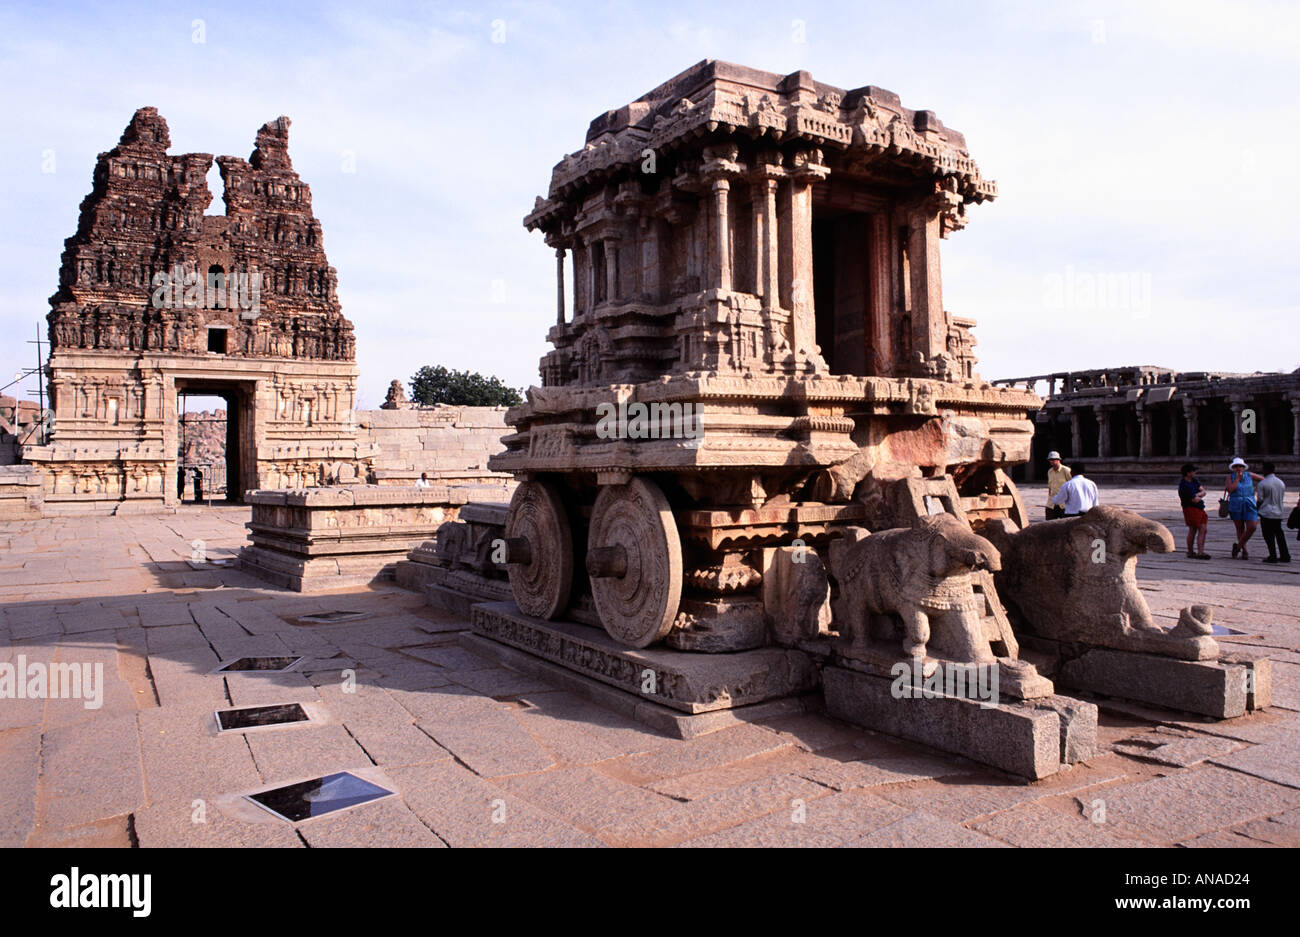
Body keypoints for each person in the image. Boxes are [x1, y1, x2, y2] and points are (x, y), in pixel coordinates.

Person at [1225, 457, 1263, 560]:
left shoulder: (1249, 475)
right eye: (1236, 466)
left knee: (1252, 526)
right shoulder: (1230, 477)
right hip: (1236, 503)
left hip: (1249, 503)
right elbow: (1230, 490)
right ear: (1233, 468)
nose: (1238, 468)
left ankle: (1238, 547)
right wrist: (1237, 479)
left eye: (1240, 466)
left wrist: (1257, 489)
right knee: (1240, 528)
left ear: (1243, 467)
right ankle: (1244, 550)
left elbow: (1263, 480)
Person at [1256, 462, 1290, 564]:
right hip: (1278, 512)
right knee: (1279, 534)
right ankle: (1285, 555)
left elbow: (1260, 499)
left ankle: (1273, 555)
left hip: (1266, 512)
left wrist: (1256, 510)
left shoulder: (1262, 483)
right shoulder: (1281, 483)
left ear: (1265, 470)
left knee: (1268, 535)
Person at [1178, 463, 1211, 559]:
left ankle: (1200, 551)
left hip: (1200, 508)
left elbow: (1203, 491)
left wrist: (1198, 495)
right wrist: (1199, 495)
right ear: (1188, 473)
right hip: (1190, 508)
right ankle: (1191, 551)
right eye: (1193, 471)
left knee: (1203, 529)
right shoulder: (1184, 485)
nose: (1195, 472)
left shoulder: (1194, 481)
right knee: (1194, 529)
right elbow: (1194, 499)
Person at [1045, 450, 1072, 520]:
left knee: (1065, 523)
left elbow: (1072, 484)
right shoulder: (1050, 471)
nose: (1051, 461)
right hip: (1052, 503)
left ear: (1058, 460)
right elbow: (1050, 486)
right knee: (1049, 523)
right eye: (1050, 460)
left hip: (1064, 503)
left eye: (1053, 459)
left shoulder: (1066, 470)